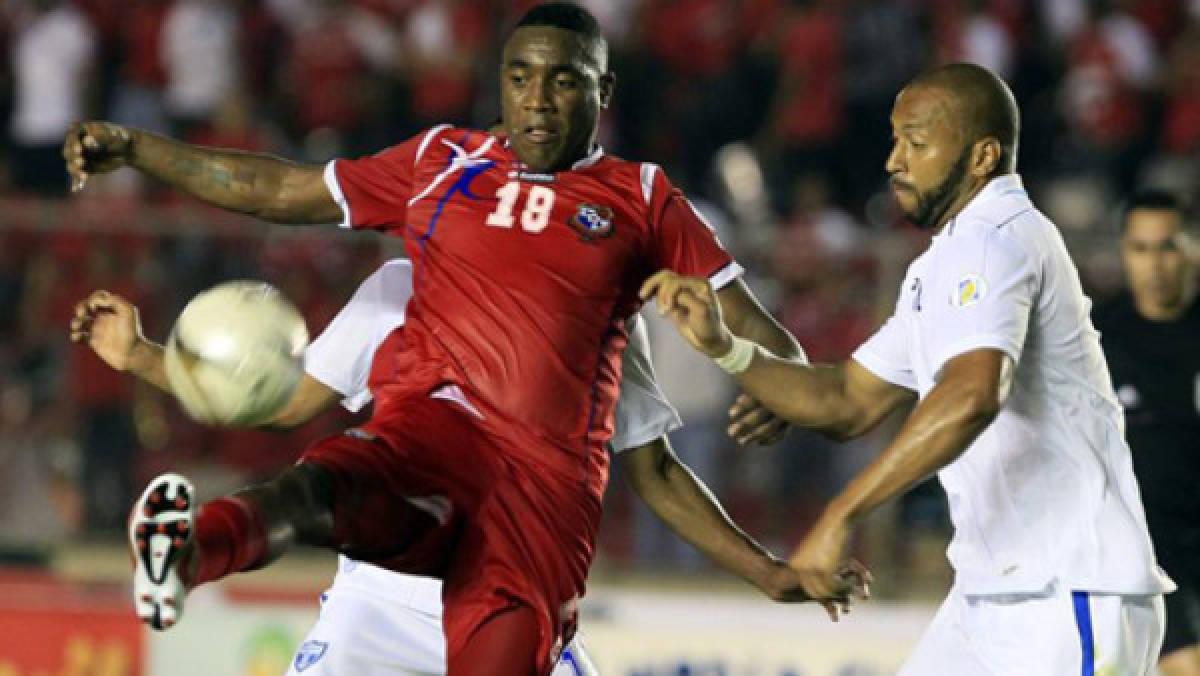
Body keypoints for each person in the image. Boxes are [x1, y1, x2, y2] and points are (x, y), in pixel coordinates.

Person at [64, 4, 827, 673]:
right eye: (520, 78)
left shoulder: (642, 204)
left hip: (535, 515)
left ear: (603, 92)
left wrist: (766, 385)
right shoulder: (440, 169)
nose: (538, 102)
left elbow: (752, 370)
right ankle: (189, 549)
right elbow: (277, 193)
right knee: (323, 481)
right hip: (432, 450)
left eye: (563, 81)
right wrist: (139, 149)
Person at [643, 62, 1175, 674]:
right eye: (896, 140)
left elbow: (973, 394)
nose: (895, 160)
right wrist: (725, 346)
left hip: (1066, 595)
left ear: (982, 157)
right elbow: (845, 398)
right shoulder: (943, 261)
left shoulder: (995, 238)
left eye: (917, 143)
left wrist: (842, 513)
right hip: (993, 596)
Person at [73, 259, 827, 675]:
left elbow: (654, 471)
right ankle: (191, 549)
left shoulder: (600, 306)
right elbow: (281, 403)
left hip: (515, 599)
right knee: (314, 484)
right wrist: (142, 356)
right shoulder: (396, 290)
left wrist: (767, 571)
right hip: (379, 605)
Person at [1094, 190, 1200, 676]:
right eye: (1140, 248)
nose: (1154, 264)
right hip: (1146, 553)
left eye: (1167, 247)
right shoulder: (1098, 339)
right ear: (1123, 252)